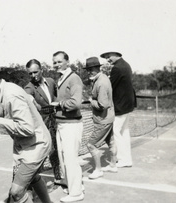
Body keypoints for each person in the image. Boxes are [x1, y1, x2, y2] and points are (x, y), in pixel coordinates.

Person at [0, 63, 52, 203]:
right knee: (33, 178)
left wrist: (0, 122)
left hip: (36, 145)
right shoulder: (3, 92)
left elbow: (27, 128)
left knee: (16, 192)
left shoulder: (11, 95)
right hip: (28, 145)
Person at [50, 51, 84, 202]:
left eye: (59, 62)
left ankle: (76, 193)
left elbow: (76, 102)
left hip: (71, 125)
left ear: (67, 62)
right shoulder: (62, 78)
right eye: (54, 62)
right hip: (62, 124)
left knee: (70, 159)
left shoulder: (74, 78)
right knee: (65, 158)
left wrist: (59, 104)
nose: (56, 65)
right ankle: (73, 184)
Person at [24, 59, 61, 182]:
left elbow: (57, 96)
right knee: (42, 151)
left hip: (55, 120)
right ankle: (33, 180)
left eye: (35, 72)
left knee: (56, 149)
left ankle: (58, 176)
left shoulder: (50, 81)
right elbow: (27, 95)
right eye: (30, 73)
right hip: (42, 123)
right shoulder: (29, 87)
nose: (33, 76)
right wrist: (31, 100)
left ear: (42, 70)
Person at [100, 51, 137, 168]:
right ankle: (127, 159)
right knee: (124, 132)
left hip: (120, 106)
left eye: (108, 56)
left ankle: (122, 159)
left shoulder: (117, 68)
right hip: (128, 104)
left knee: (116, 132)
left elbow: (109, 86)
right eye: (106, 58)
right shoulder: (126, 65)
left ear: (116, 54)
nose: (107, 59)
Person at [84, 57, 117, 180]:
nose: (88, 72)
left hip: (102, 120)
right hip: (109, 118)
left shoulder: (101, 82)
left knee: (91, 145)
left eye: (90, 69)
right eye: (88, 69)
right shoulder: (103, 78)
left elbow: (103, 105)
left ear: (97, 68)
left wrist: (91, 101)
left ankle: (98, 170)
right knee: (111, 142)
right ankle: (113, 165)